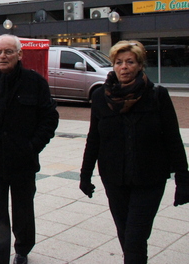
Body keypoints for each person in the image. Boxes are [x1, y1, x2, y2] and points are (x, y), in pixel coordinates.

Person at [79, 40, 189, 264]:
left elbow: (172, 139)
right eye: (119, 62)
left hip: (149, 179)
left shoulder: (157, 95)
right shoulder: (101, 96)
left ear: (140, 65)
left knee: (135, 237)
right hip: (114, 179)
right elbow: (94, 139)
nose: (124, 67)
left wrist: (183, 180)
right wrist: (85, 174)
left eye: (130, 62)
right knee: (125, 233)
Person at [0, 34, 59, 264]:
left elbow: (49, 119)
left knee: (23, 212)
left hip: (23, 161)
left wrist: (33, 146)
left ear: (19, 54)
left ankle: (23, 249)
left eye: (8, 52)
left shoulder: (34, 82)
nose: (2, 56)